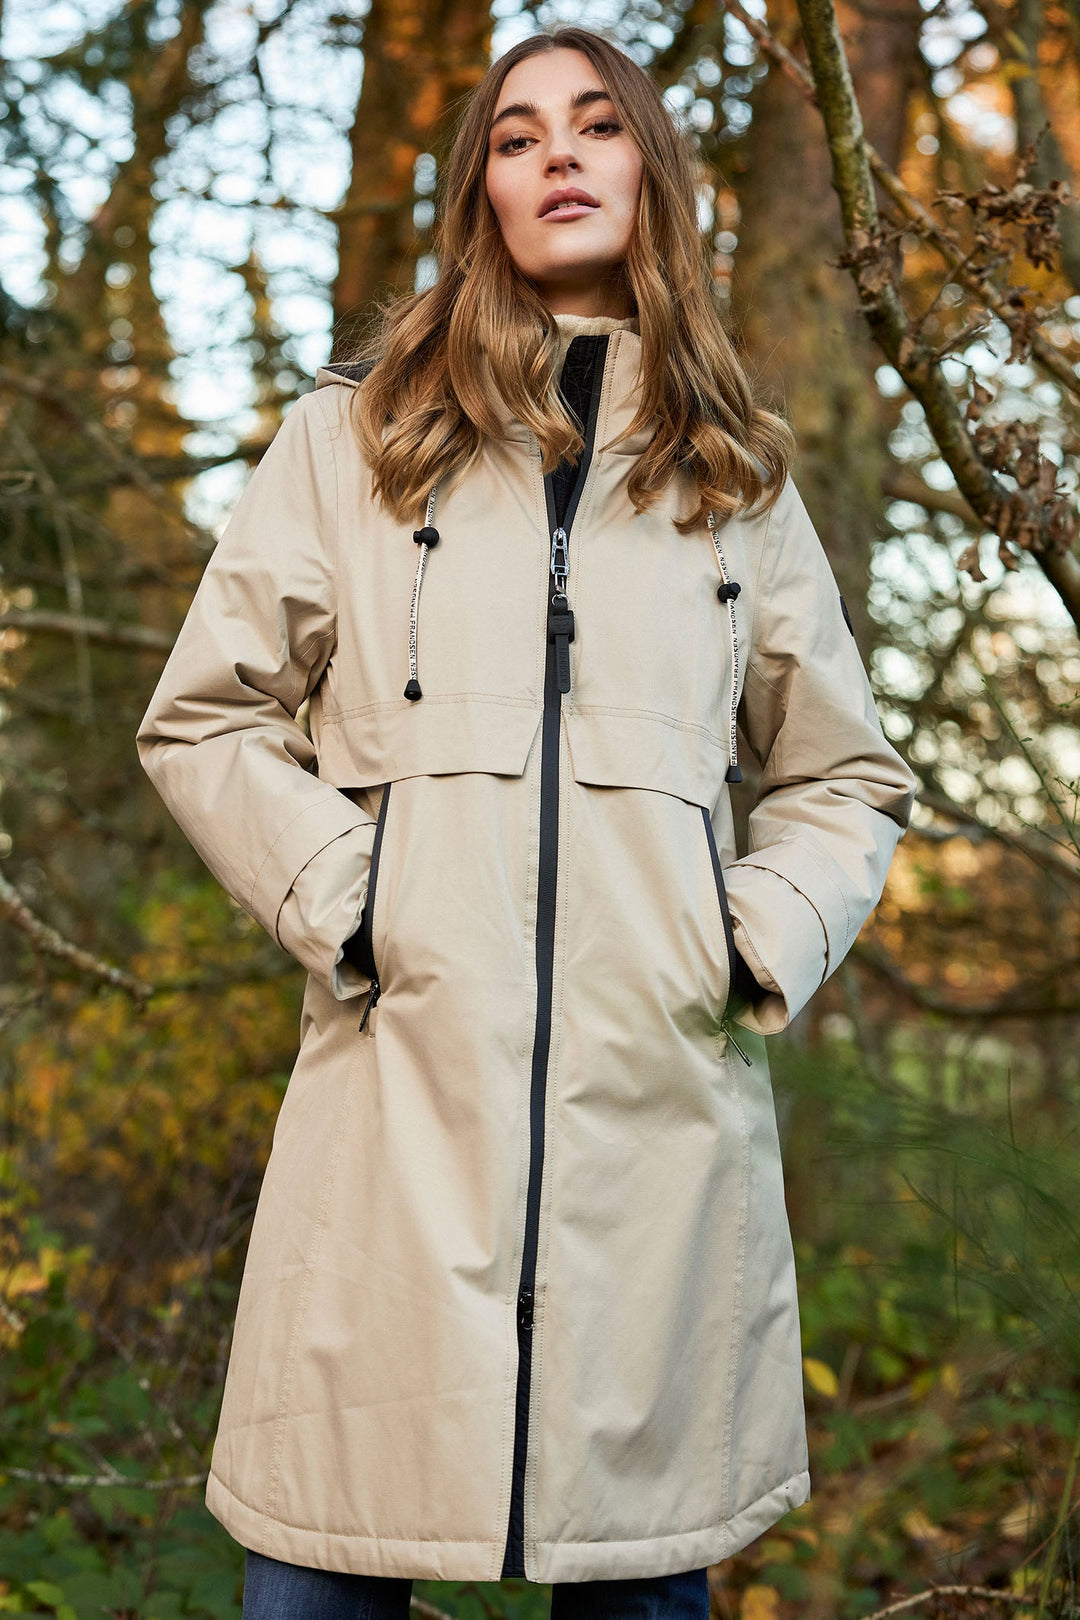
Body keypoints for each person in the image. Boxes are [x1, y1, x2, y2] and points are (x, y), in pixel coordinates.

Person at [136, 23, 918, 1620]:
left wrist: (750, 934)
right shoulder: (344, 447)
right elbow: (204, 717)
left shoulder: (740, 487)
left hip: (658, 1151)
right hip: (391, 1133)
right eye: (515, 136)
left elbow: (845, 777)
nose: (557, 154)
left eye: (596, 126)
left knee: (636, 1581)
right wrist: (351, 900)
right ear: (482, 193)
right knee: (315, 1579)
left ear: (651, 173)